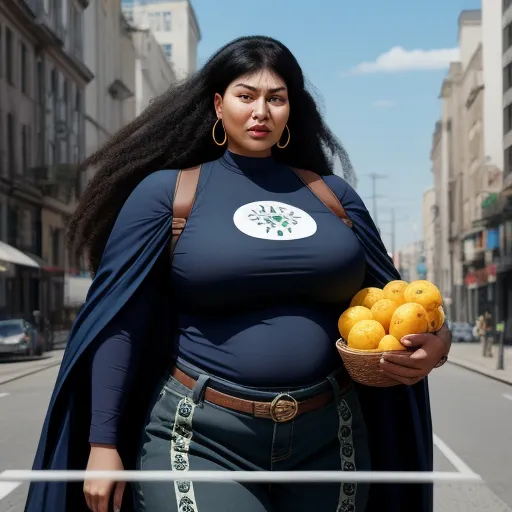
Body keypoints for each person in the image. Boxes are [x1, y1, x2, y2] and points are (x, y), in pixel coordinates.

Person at [25, 36, 451, 512]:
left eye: (276, 98)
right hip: (200, 437)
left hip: (331, 437)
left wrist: (439, 343)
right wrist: (102, 444)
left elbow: (394, 297)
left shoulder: (334, 197)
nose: (261, 111)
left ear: (291, 109)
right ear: (218, 103)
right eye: (246, 96)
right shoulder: (168, 195)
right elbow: (119, 321)